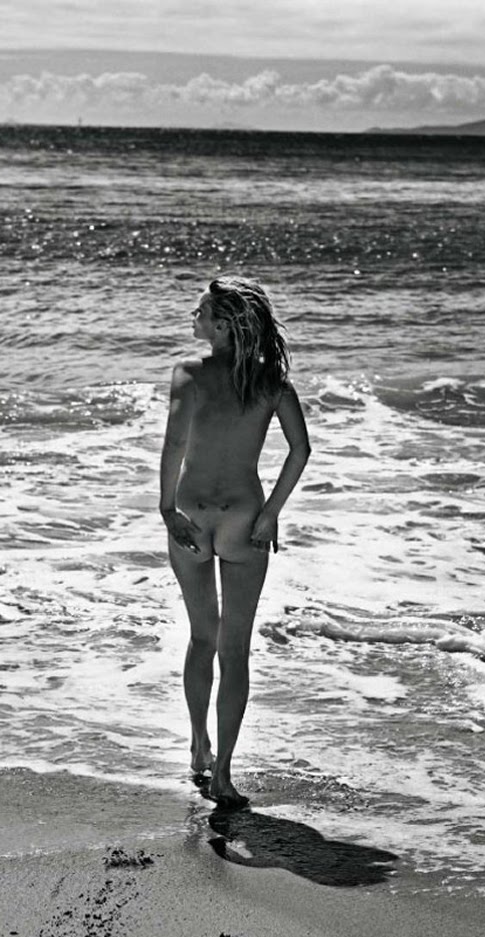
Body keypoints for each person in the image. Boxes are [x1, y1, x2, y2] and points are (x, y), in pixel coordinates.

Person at [160, 276, 311, 809]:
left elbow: (174, 443)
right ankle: (222, 774)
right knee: (235, 649)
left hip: (192, 513)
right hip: (244, 518)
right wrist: (271, 514)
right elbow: (300, 450)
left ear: (222, 325)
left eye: (200, 312)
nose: (193, 318)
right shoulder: (271, 382)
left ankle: (198, 745)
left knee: (202, 637)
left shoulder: (188, 374)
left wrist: (166, 509)